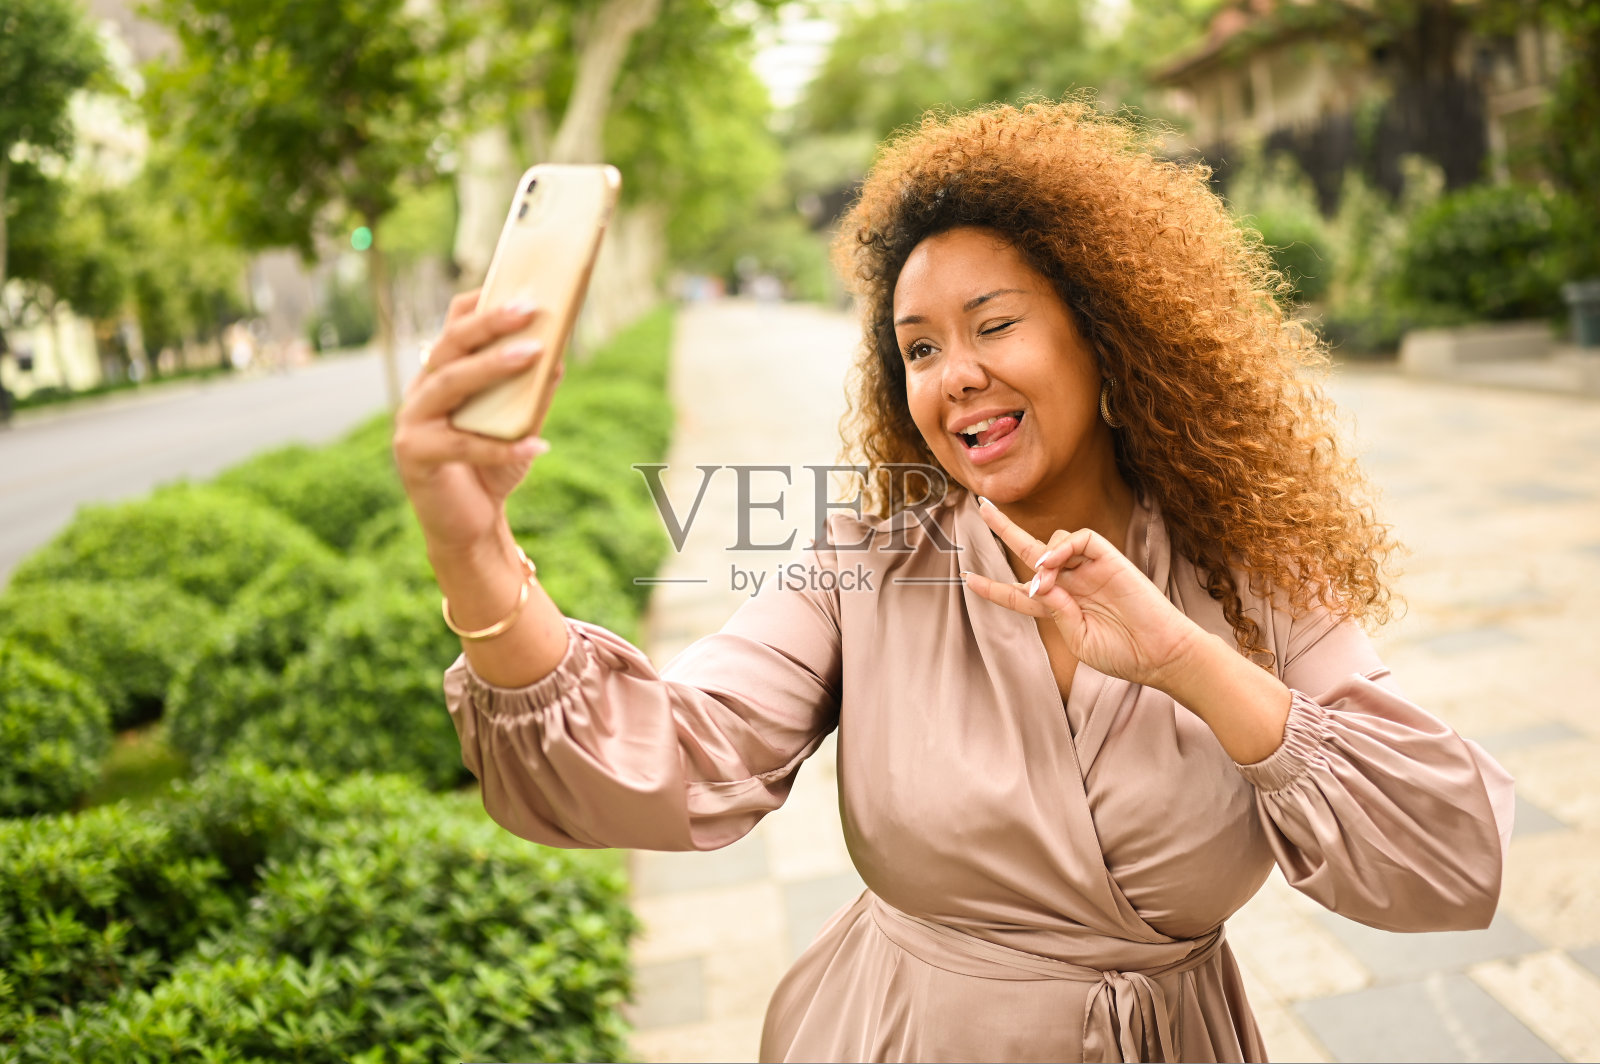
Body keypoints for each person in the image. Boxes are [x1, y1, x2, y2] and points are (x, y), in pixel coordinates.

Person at [393, 100, 1513, 1063]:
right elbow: (670, 755)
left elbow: (1445, 854)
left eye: (993, 325)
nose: (954, 374)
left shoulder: (1249, 567)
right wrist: (472, 548)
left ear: (1107, 336)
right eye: (917, 347)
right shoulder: (861, 566)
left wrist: (1187, 662)